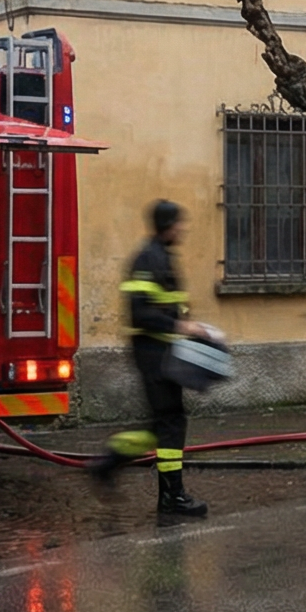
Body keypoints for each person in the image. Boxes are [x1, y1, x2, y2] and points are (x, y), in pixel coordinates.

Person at [94, 199, 210, 517]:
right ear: (168, 225)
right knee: (171, 422)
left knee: (164, 424)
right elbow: (141, 312)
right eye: (180, 223)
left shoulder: (161, 255)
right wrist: (180, 325)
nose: (184, 228)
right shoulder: (148, 258)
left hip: (164, 353)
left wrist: (190, 326)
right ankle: (171, 496)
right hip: (153, 354)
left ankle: (111, 462)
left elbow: (168, 304)